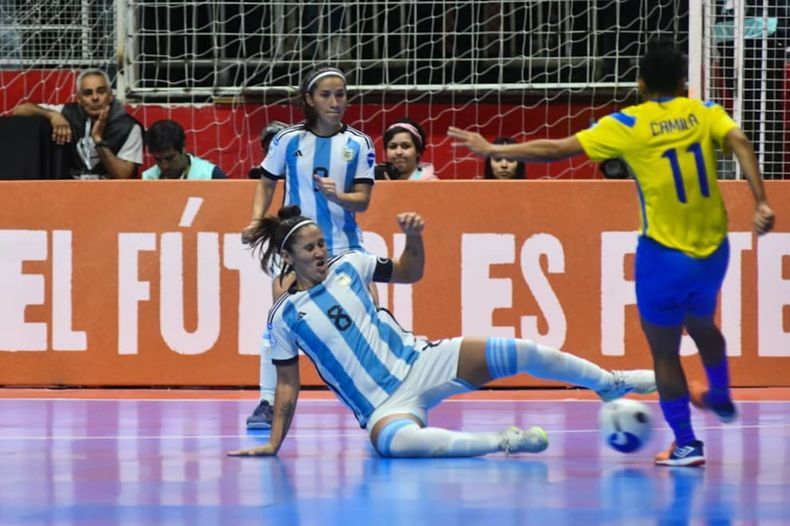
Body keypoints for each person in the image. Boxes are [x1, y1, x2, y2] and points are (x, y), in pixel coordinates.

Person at [449, 40, 776, 467]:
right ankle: (721, 392)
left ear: (640, 83)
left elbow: (557, 149)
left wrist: (494, 150)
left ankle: (686, 444)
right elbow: (740, 141)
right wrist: (761, 201)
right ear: (682, 82)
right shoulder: (705, 111)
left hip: (663, 255)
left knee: (664, 353)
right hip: (714, 250)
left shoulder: (627, 123)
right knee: (703, 325)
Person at [227, 206, 656, 458]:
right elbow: (286, 386)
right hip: (381, 408)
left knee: (519, 350)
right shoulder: (283, 316)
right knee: (398, 444)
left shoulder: (350, 264)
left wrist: (414, 239)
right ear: (288, 257)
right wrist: (273, 445)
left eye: (322, 243)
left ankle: (610, 383)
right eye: (310, 248)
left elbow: (411, 272)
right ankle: (503, 441)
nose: (321, 252)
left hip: (421, 361)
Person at [241, 66, 376, 430]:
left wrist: (339, 195)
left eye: (341, 95)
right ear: (309, 100)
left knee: (370, 323)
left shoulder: (359, 144)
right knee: (280, 320)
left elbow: (362, 202)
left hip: (345, 249)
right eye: (327, 95)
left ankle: (379, 397)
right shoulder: (287, 141)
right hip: (298, 249)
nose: (336, 102)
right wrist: (257, 220)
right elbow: (266, 183)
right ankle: (268, 401)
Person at [12, 68, 143, 179]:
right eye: (88, 93)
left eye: (101, 91)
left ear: (110, 96)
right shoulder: (67, 112)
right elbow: (19, 110)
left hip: (113, 196)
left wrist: (98, 141)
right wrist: (52, 115)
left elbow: (124, 176)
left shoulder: (129, 127)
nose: (95, 97)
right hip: (71, 193)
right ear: (79, 99)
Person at [142, 119, 226, 180]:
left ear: (183, 148)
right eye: (158, 160)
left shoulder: (210, 175)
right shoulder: (147, 179)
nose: (165, 166)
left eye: (170, 158)